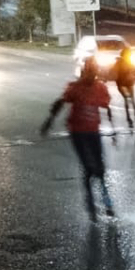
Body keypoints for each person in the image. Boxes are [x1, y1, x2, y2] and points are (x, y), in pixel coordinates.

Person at [41, 56, 117, 220]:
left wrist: (113, 129)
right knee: (89, 167)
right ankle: (90, 201)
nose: (90, 76)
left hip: (93, 132)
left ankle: (106, 201)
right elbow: (60, 103)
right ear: (83, 72)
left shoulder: (100, 88)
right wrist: (49, 121)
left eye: (93, 73)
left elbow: (107, 107)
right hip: (78, 132)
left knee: (100, 168)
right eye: (87, 73)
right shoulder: (75, 88)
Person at [114, 44, 135, 132]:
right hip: (122, 84)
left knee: (131, 100)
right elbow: (115, 73)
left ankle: (133, 118)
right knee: (128, 99)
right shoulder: (120, 63)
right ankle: (131, 118)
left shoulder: (128, 62)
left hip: (127, 83)